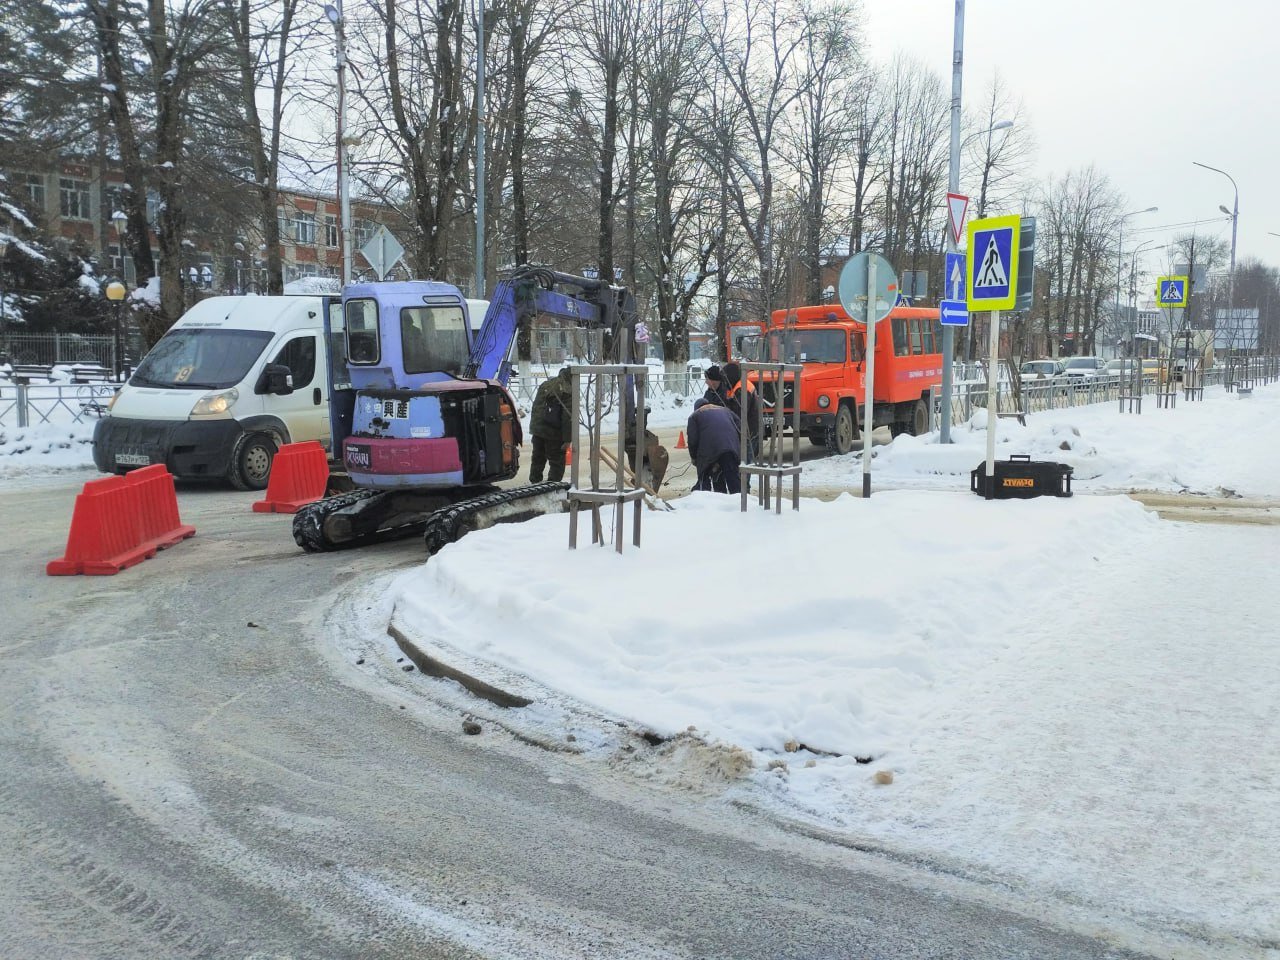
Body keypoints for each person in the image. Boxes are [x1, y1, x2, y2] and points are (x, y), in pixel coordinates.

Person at [687, 397, 741, 494]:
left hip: (710, 451)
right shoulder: (725, 410)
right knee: (733, 480)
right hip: (730, 448)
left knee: (704, 477)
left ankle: (710, 499)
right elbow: (740, 426)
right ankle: (739, 502)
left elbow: (693, 440)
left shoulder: (694, 416)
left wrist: (694, 457)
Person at [529, 367, 573, 483]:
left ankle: (534, 486)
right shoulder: (567, 390)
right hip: (553, 433)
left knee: (538, 459)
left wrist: (535, 429)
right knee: (557, 462)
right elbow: (567, 417)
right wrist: (567, 439)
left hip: (538, 430)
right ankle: (552, 489)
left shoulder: (546, 384)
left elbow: (536, 407)